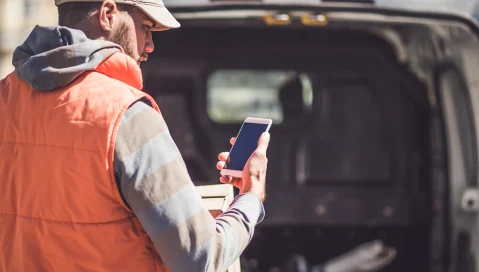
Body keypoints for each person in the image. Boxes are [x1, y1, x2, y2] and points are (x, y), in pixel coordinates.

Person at [0, 0, 270, 271]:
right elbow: (201, 258)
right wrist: (250, 197)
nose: (150, 44)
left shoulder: (5, 96)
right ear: (107, 14)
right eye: (146, 27)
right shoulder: (127, 114)